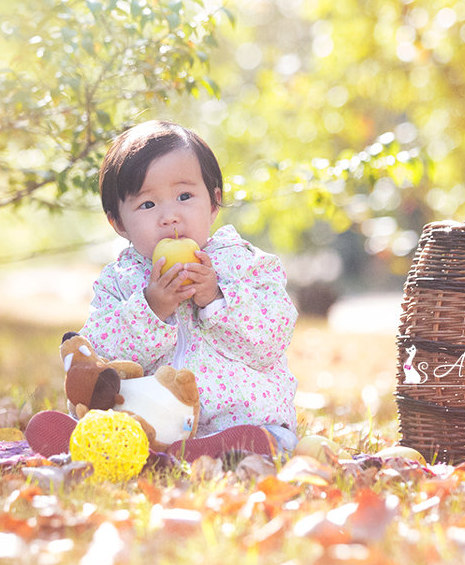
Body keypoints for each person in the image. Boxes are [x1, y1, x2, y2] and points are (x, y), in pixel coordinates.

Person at [25, 121, 299, 462]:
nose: (170, 217)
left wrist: (216, 298)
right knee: (117, 427)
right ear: (119, 223)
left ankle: (222, 448)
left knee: (266, 440)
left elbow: (272, 338)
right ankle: (119, 445)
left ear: (214, 202)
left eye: (184, 197)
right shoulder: (119, 281)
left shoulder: (245, 265)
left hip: (240, 418)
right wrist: (150, 309)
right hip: (150, 425)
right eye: (148, 205)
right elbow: (99, 360)